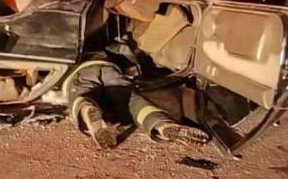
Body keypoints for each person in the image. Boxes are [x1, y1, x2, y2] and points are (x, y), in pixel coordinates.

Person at [63, 58, 210, 149]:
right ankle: (161, 124)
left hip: (85, 66)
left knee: (83, 92)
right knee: (132, 103)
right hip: (113, 68)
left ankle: (86, 107)